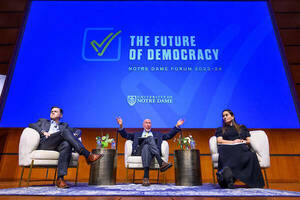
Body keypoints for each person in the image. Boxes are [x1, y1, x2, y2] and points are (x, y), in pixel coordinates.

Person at [29, 106, 103, 188]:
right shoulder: (43, 121)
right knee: (64, 131)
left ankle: (60, 179)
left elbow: (78, 130)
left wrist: (74, 135)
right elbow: (32, 125)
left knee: (66, 144)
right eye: (52, 111)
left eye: (55, 111)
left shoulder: (64, 125)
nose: (52, 112)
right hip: (46, 143)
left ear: (61, 115)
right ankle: (87, 154)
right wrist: (43, 132)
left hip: (58, 146)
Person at [116, 117, 184, 186]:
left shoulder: (158, 134)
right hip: (139, 152)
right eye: (146, 123)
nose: (148, 124)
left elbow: (168, 136)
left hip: (152, 153)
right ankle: (161, 162)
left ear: (151, 125)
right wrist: (121, 125)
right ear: (143, 125)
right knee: (150, 138)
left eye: (149, 123)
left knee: (146, 147)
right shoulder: (136, 134)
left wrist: (177, 126)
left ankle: (146, 178)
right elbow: (125, 135)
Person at [215, 109, 265, 188]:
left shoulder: (242, 127)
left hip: (240, 146)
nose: (224, 117)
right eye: (223, 116)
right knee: (227, 151)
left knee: (251, 155)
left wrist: (242, 141)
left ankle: (253, 182)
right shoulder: (220, 129)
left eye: (226, 115)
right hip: (227, 147)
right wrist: (233, 142)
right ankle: (228, 179)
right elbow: (219, 141)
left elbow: (248, 140)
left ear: (232, 116)